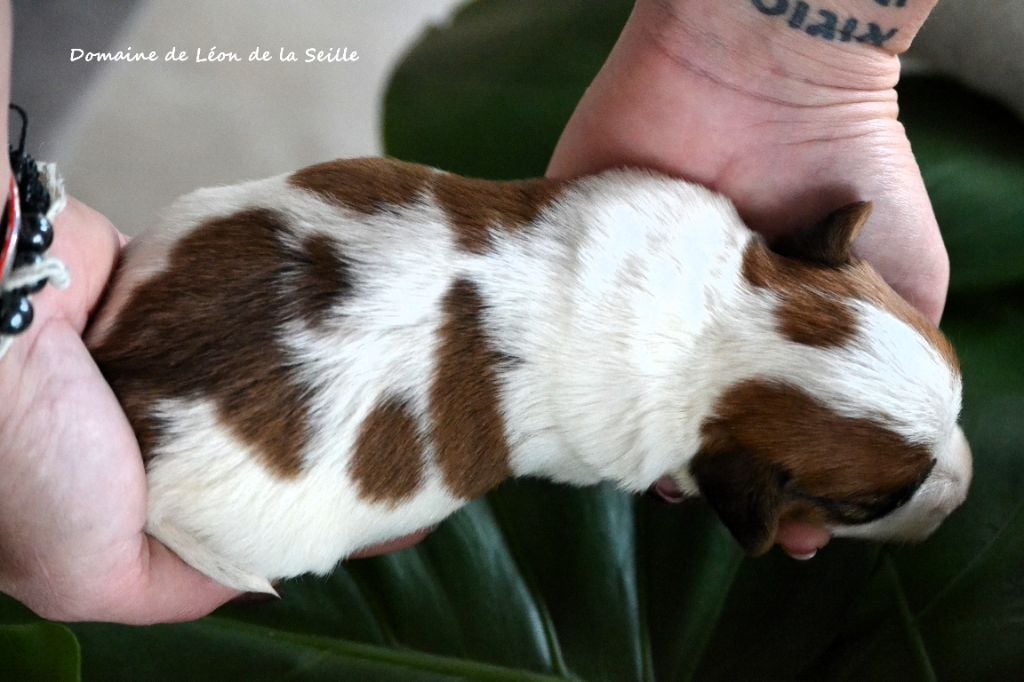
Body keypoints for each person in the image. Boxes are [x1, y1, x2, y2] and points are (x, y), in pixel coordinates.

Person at [0, 0, 946, 623]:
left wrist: (803, 72)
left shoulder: (673, 215)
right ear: (737, 486)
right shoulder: (628, 430)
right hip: (195, 474)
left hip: (191, 273)